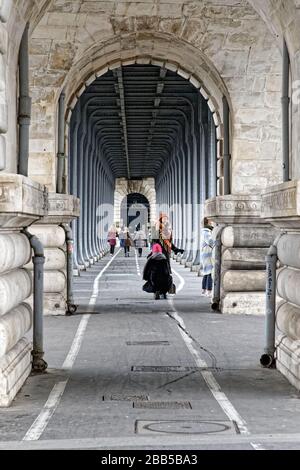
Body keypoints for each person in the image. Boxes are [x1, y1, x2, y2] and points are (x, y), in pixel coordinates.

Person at [200, 217, 215, 297]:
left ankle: (203, 290)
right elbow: (211, 242)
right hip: (208, 254)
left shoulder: (205, 231)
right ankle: (209, 291)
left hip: (205, 254)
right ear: (208, 222)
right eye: (210, 221)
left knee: (206, 272)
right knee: (209, 272)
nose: (212, 222)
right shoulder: (207, 232)